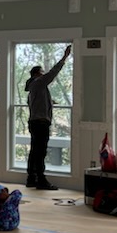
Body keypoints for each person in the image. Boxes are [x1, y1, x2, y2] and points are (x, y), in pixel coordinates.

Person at [24, 44, 72, 190]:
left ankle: (31, 178)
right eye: (42, 72)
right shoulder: (39, 82)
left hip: (35, 122)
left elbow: (36, 102)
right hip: (40, 123)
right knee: (40, 152)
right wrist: (64, 57)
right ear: (37, 74)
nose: (44, 74)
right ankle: (41, 180)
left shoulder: (33, 88)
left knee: (35, 151)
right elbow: (53, 72)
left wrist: (50, 102)